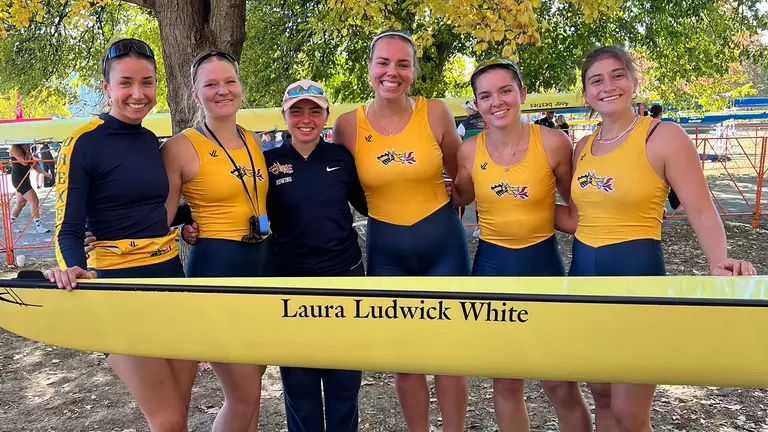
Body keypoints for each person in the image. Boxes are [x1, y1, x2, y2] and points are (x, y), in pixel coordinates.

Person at [559, 45, 757, 432]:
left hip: (638, 279)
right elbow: (576, 218)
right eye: (595, 80)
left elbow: (700, 208)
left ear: (634, 82)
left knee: (631, 412)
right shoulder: (582, 147)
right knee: (601, 398)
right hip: (584, 280)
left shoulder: (663, 136)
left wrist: (719, 261)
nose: (608, 86)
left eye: (618, 75)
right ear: (585, 94)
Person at [47, 38, 199, 432]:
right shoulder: (83, 142)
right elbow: (67, 225)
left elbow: (148, 206)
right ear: (106, 87)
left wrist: (186, 223)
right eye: (126, 83)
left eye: (147, 83)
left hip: (170, 278)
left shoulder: (151, 141)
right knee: (166, 420)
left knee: (178, 414)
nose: (138, 94)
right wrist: (71, 266)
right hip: (118, 285)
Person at [332, 29, 470, 432]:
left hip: (443, 244)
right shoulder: (347, 126)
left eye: (402, 64)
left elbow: (461, 176)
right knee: (405, 358)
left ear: (414, 71)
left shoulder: (436, 112)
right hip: (386, 249)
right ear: (370, 67)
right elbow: (343, 189)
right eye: (383, 62)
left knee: (449, 356)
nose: (392, 72)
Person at [451, 57, 591, 432]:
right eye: (485, 95)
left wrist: (534, 210)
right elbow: (459, 196)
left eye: (505, 91)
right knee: (506, 381)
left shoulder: (554, 143)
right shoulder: (468, 151)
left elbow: (577, 214)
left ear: (522, 94)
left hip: (542, 264)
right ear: (476, 105)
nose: (496, 101)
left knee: (559, 380)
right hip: (492, 267)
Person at [161, 48, 274, 432]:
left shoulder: (252, 138)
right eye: (211, 84)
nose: (222, 90)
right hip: (217, 269)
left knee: (253, 385)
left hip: (263, 265)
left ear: (241, 87)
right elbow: (158, 212)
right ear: (196, 94)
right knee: (244, 396)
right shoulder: (180, 146)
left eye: (229, 81)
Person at [268, 80, 368, 432]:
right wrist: (190, 224)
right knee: (300, 385)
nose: (306, 119)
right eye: (297, 111)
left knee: (344, 383)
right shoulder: (270, 162)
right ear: (284, 116)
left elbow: (372, 204)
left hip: (344, 276)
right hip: (289, 283)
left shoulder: (342, 157)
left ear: (327, 115)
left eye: (315, 110)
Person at [8, 142, 51, 233]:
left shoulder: (25, 148)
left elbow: (32, 163)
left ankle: (10, 224)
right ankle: (39, 226)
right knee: (34, 200)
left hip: (25, 178)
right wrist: (27, 151)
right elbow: (24, 162)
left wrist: (45, 173)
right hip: (19, 179)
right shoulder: (15, 148)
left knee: (21, 203)